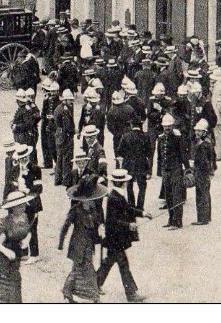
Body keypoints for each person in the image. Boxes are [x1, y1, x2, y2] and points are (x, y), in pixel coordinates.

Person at [97, 169, 151, 302]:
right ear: (123, 183)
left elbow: (127, 210)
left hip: (113, 238)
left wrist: (142, 214)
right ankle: (131, 295)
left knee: (108, 262)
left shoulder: (116, 194)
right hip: (115, 238)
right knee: (123, 265)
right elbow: (113, 221)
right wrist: (129, 225)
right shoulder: (115, 197)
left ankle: (94, 284)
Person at [59, 176, 107, 303]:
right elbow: (65, 227)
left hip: (89, 244)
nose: (89, 201)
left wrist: (101, 229)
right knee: (86, 269)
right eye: (87, 200)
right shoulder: (75, 210)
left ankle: (67, 292)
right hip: (78, 245)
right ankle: (94, 297)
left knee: (78, 270)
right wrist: (60, 244)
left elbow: (97, 222)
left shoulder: (93, 208)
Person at [0, 190, 35, 303]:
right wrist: (5, 251)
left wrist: (27, 240)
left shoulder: (24, 217)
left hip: (17, 253)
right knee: (9, 278)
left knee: (15, 278)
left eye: (24, 204)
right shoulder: (5, 222)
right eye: (19, 206)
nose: (23, 207)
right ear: (13, 208)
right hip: (6, 254)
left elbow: (28, 232)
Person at [159, 114, 189, 229]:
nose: (167, 128)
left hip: (176, 170)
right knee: (168, 196)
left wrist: (187, 169)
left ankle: (177, 222)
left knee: (177, 196)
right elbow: (160, 157)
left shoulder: (177, 138)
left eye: (169, 126)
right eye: (165, 126)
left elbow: (183, 154)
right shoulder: (161, 139)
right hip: (166, 170)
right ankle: (171, 220)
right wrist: (160, 170)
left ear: (172, 126)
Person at [14, 145, 43, 264]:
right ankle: (23, 252)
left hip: (32, 202)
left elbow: (39, 187)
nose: (23, 160)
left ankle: (35, 254)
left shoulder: (35, 169)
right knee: (20, 226)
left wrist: (28, 190)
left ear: (28, 156)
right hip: (19, 202)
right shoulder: (16, 169)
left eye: (25, 157)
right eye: (21, 158)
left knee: (32, 227)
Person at [117, 120, 152, 210]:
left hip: (128, 164)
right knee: (142, 186)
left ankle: (131, 205)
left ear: (131, 125)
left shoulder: (125, 136)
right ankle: (140, 207)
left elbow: (119, 151)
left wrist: (127, 156)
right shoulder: (146, 136)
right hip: (142, 164)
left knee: (129, 185)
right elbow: (149, 152)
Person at [192, 119, 216, 225]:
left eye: (199, 131)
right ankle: (206, 217)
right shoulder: (206, 143)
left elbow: (206, 161)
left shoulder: (204, 145)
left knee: (201, 194)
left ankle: (202, 218)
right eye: (196, 131)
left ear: (204, 132)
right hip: (203, 172)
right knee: (205, 193)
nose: (197, 133)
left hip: (202, 172)